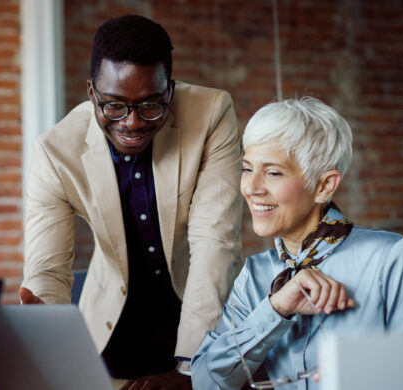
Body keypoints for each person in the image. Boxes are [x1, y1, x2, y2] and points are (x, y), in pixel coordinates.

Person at [19, 14, 243, 389]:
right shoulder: (56, 151)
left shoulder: (211, 114)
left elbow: (214, 244)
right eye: (114, 106)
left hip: (198, 311)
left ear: (169, 90)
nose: (133, 123)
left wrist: (191, 368)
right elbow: (47, 270)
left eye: (151, 105)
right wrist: (48, 346)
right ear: (92, 92)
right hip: (110, 325)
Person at [191, 97, 403, 389]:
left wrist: (365, 373)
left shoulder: (388, 258)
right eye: (247, 168)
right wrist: (276, 309)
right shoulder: (254, 275)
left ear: (324, 186)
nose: (251, 187)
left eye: (273, 172)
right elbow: (205, 382)